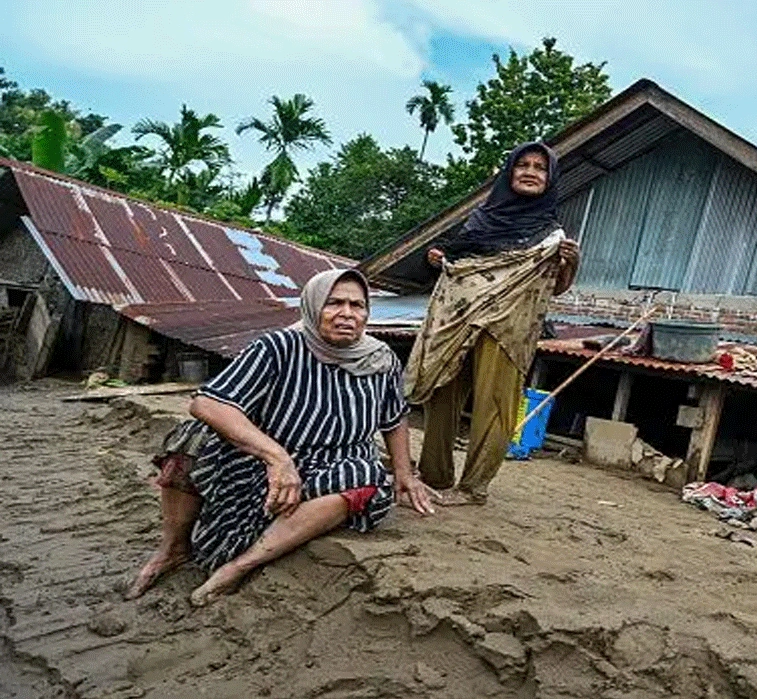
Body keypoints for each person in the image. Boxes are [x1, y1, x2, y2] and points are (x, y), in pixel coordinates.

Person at [127, 269, 435, 606]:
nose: (347, 314)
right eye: (334, 303)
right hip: (264, 460)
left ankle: (239, 567)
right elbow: (208, 403)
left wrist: (405, 474)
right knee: (192, 438)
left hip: (337, 465)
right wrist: (277, 457)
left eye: (357, 306)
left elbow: (394, 418)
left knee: (365, 475)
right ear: (312, 305)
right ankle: (173, 549)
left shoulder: (381, 359)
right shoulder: (278, 347)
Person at [406, 142, 580, 505]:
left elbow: (555, 289)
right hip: (460, 319)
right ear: (509, 172)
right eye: (523, 165)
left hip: (509, 328)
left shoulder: (551, 235)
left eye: (540, 168)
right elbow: (461, 265)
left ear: (550, 179)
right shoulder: (480, 220)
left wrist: (570, 264)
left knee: (495, 405)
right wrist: (441, 257)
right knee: (442, 393)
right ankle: (435, 476)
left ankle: (473, 488)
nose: (530, 172)